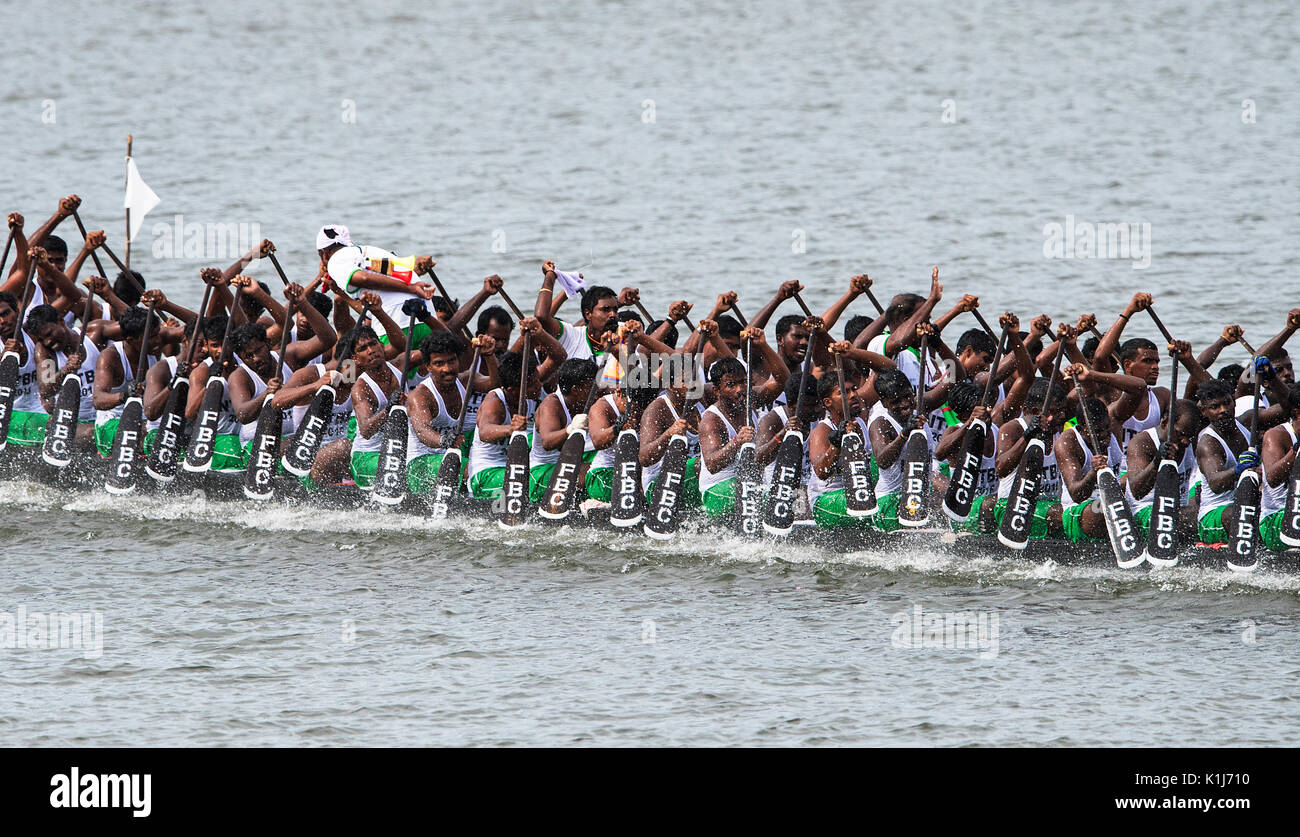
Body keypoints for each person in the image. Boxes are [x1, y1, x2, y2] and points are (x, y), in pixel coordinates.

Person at [406, 331, 479, 495]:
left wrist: (488, 355)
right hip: (420, 464)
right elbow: (422, 431)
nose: (447, 369)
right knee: (474, 469)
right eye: (439, 364)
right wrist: (444, 440)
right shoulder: (420, 396)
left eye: (452, 361)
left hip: (449, 457)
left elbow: (494, 382)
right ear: (428, 367)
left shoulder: (464, 380)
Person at [467, 348, 541, 500]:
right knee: (534, 482)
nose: (539, 386)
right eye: (533, 384)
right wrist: (510, 428)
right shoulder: (494, 402)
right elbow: (485, 432)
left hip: (515, 469)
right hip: (486, 474)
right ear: (512, 390)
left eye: (538, 380)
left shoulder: (531, 398)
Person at [1123, 398, 1203, 538]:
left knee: (1199, 513)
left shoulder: (1188, 439)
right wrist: (1157, 461)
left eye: (1190, 437)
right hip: (1144, 510)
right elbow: (1137, 491)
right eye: (1182, 434)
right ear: (1165, 423)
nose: (1185, 441)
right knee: (1191, 518)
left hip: (1178, 509)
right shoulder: (1142, 443)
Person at [91, 305, 165, 457]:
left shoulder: (154, 350)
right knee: (154, 432)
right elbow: (98, 400)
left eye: (158, 334)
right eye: (152, 337)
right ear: (131, 339)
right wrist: (125, 396)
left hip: (144, 420)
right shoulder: (110, 357)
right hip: (111, 423)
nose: (158, 341)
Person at [1054, 396, 1126, 543]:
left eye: (1107, 428)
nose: (1105, 434)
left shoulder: (1114, 431)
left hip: (1115, 503)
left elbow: (1137, 391)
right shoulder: (1067, 442)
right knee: (1108, 509)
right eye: (1098, 431)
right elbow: (1076, 494)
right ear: (1081, 429)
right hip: (1080, 511)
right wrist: (1093, 472)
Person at [807, 368, 872, 529]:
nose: (853, 395)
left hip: (857, 492)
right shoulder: (821, 431)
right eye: (844, 392)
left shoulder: (861, 422)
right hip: (826, 501)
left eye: (854, 389)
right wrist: (837, 443)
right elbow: (821, 471)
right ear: (828, 402)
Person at [1192, 379, 1252, 545]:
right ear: (1204, 411)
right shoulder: (1208, 443)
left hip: (1243, 504)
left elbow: (1285, 409)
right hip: (1214, 515)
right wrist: (1238, 470)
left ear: (1234, 401)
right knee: (1242, 513)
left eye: (1227, 403)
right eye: (1215, 407)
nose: (1223, 410)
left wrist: (1271, 378)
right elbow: (1215, 483)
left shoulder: (1248, 422)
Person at [529, 358, 597, 502]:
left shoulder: (588, 398)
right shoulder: (551, 404)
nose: (596, 390)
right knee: (597, 472)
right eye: (592, 386)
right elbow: (547, 441)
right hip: (543, 471)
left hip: (571, 461)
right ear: (576, 390)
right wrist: (570, 429)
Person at [867, 368, 925, 532]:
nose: (905, 404)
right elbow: (882, 461)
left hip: (916, 494)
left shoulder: (921, 408)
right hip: (888, 501)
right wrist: (904, 434)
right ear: (884, 403)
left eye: (907, 396)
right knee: (918, 507)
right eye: (896, 401)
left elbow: (953, 379)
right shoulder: (880, 424)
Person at [698, 357, 756, 520]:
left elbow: (780, 381)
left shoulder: (750, 405)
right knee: (760, 494)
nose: (740, 389)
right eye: (731, 385)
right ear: (717, 391)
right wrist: (737, 441)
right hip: (717, 490)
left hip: (746, 484)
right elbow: (712, 464)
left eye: (743, 382)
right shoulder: (711, 419)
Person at [1258, 383, 1300, 552]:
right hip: (1275, 521)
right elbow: (1273, 479)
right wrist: (1295, 451)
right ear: (1297, 413)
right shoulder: (1276, 435)